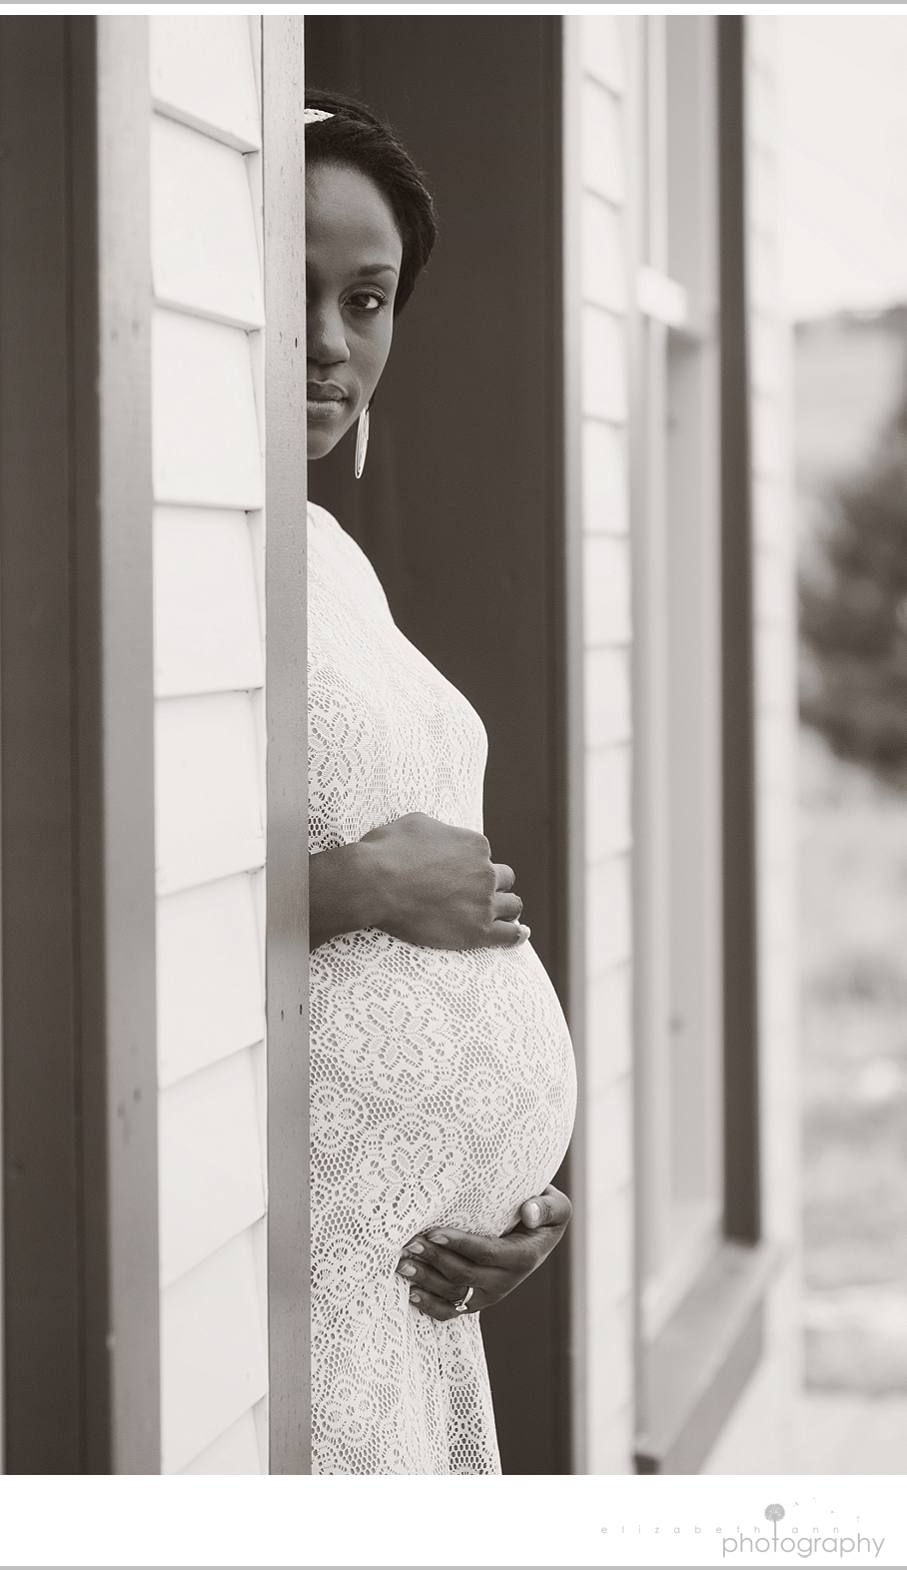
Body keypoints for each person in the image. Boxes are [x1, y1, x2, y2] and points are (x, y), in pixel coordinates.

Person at [304, 88, 577, 1475]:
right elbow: (65, 920)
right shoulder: (144, 554)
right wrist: (358, 886)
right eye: (289, 291)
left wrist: (513, 1191)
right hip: (296, 1271)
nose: (328, 342)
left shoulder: (328, 559)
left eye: (366, 299)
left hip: (410, 1286)